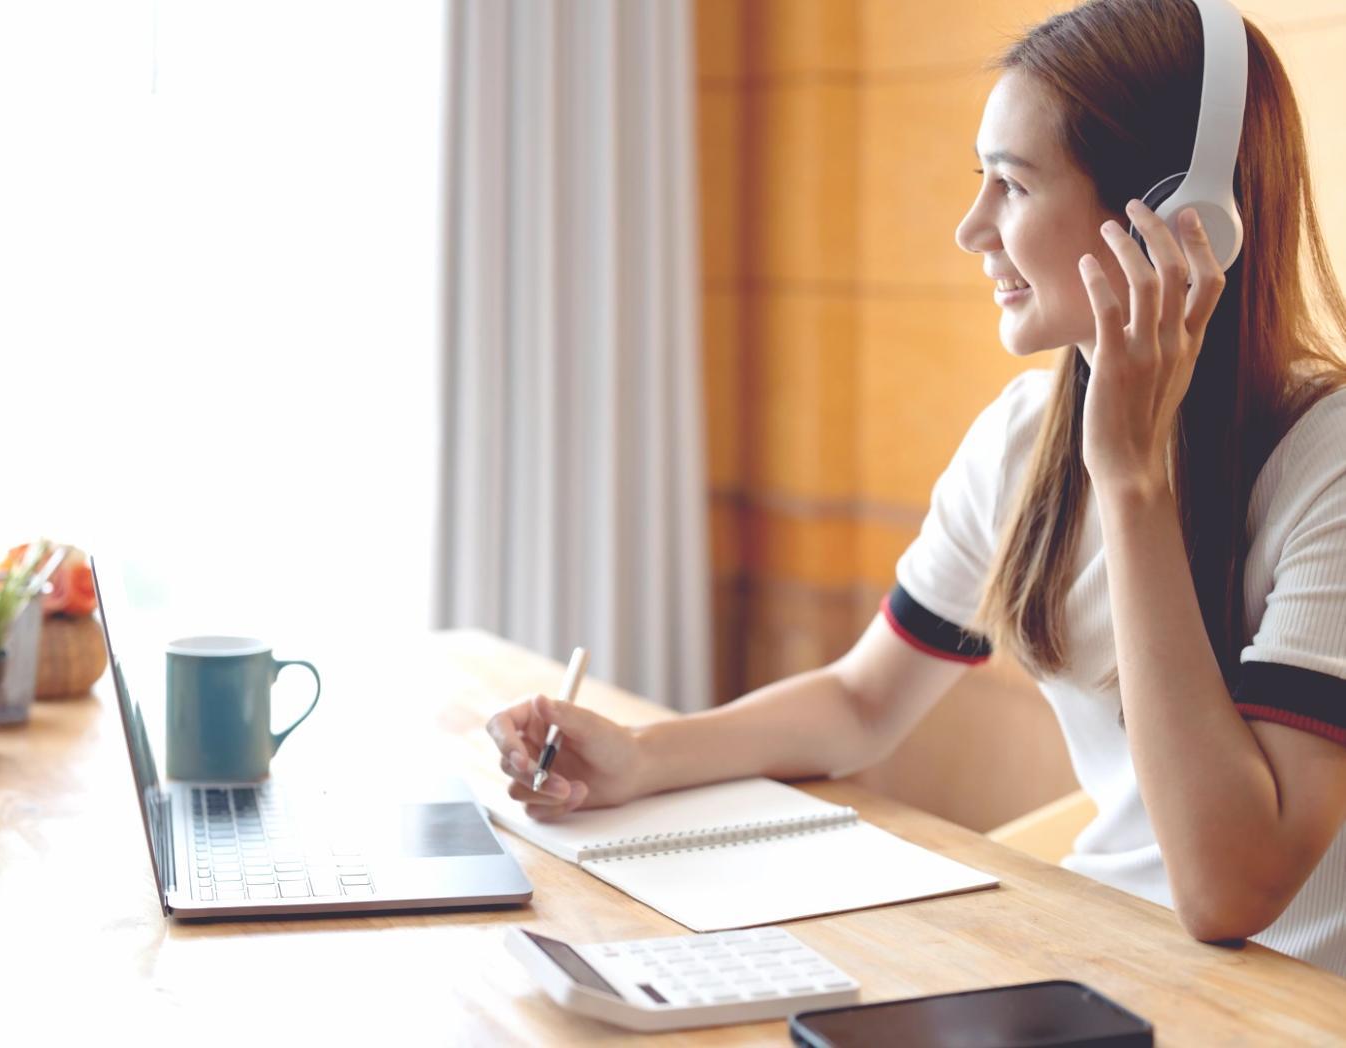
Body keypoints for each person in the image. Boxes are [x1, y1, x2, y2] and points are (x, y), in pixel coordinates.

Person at [486, 0, 1346, 976]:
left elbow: (1227, 889)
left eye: (1012, 186)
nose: (969, 225)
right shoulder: (1023, 437)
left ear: (1181, 224)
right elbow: (861, 702)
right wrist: (638, 757)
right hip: (1109, 960)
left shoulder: (1327, 467)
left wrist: (1129, 480)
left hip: (1279, 1005)